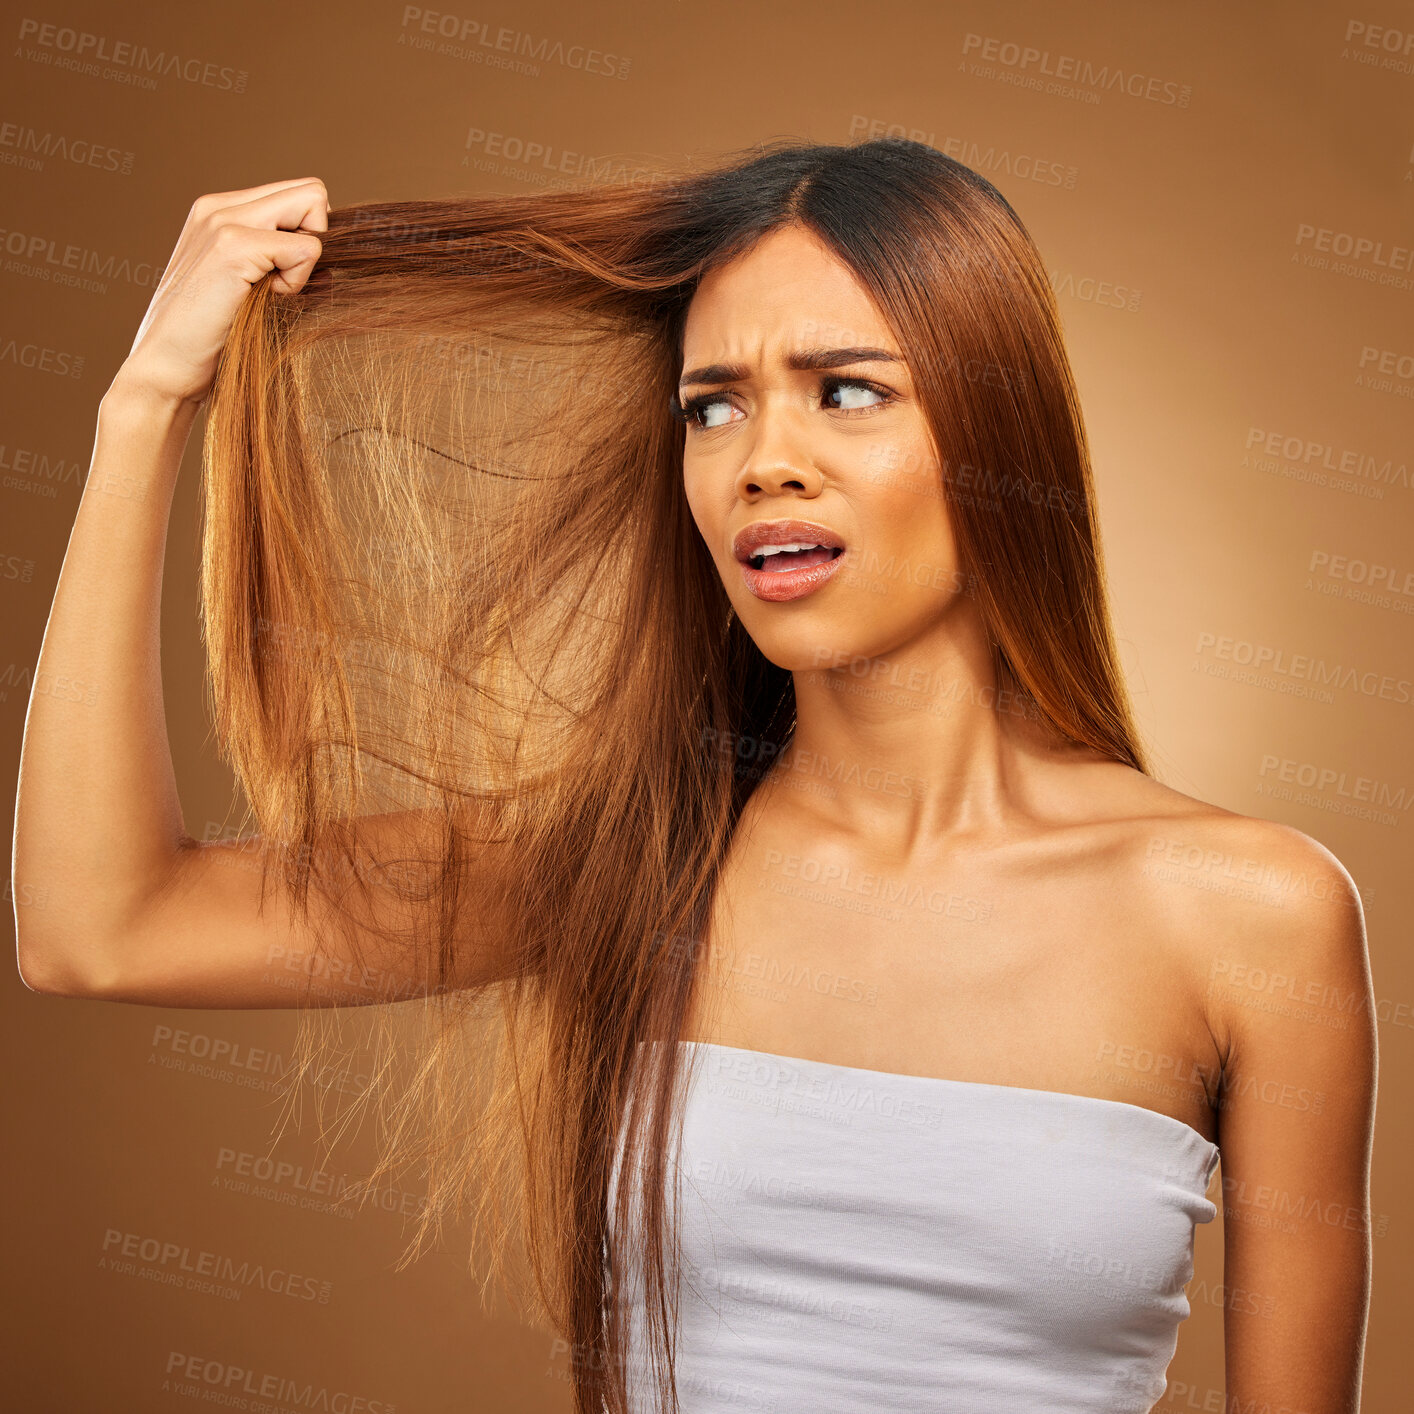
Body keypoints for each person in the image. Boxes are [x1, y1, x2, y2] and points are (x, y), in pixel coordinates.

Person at [12, 139, 1376, 1414]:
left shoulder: (1248, 914)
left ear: (996, 430)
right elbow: (100, 926)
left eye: (847, 391)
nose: (763, 462)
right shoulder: (631, 861)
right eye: (713, 408)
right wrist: (144, 408)